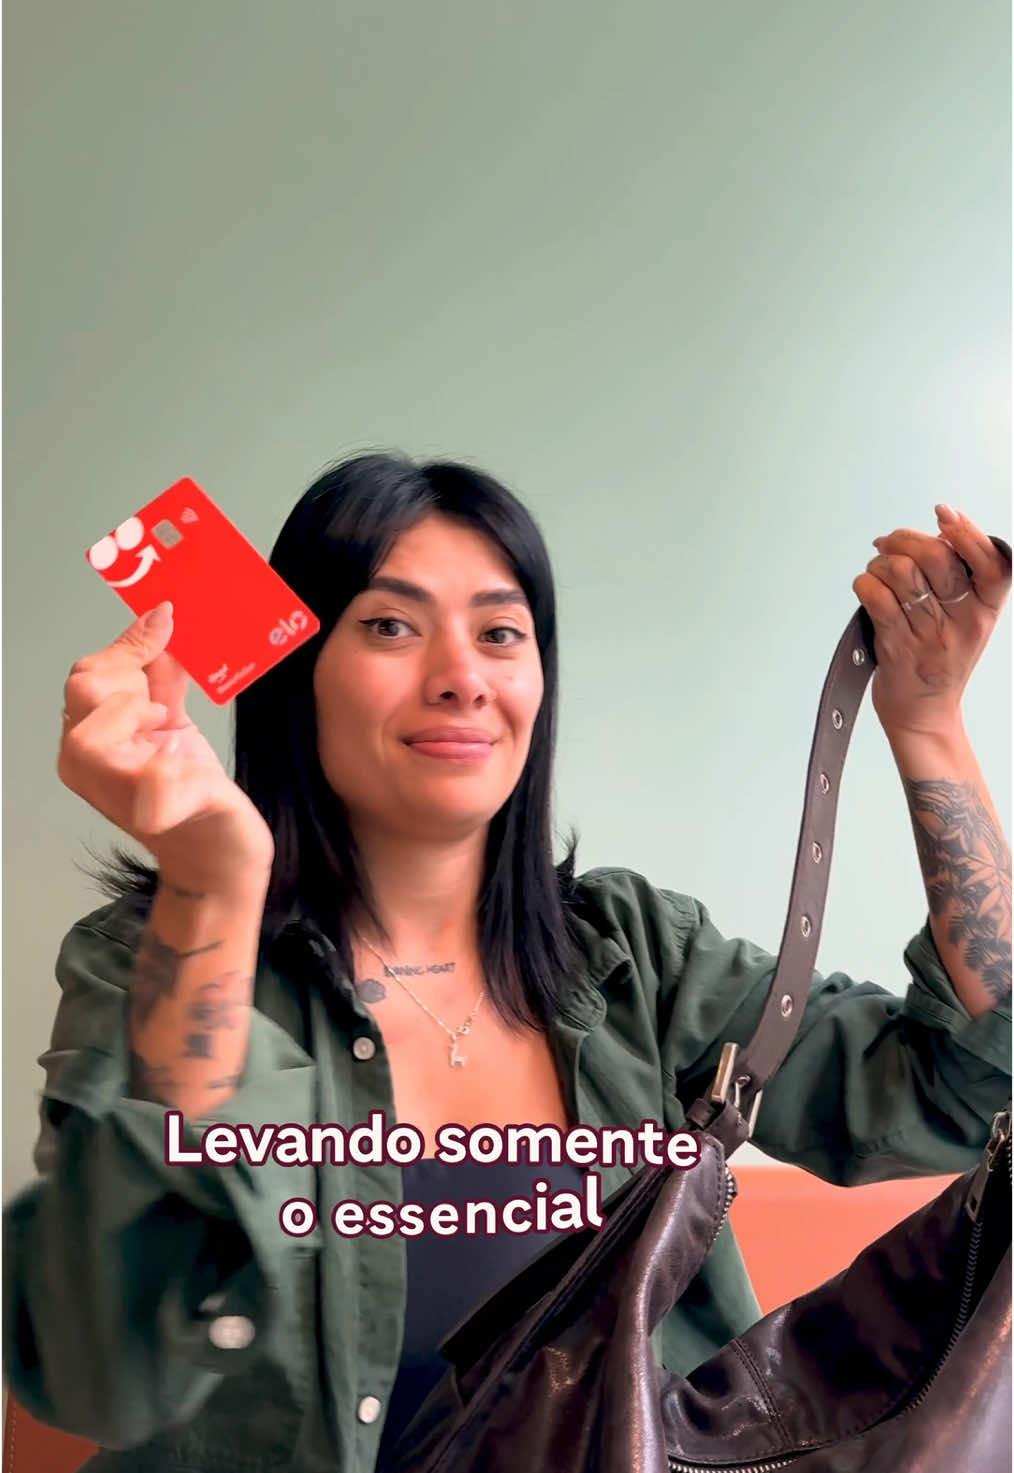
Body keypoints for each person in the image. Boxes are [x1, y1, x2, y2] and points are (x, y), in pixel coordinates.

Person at [3, 452, 1011, 1473]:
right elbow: (102, 1373)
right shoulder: (160, 954)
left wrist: (928, 722)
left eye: (499, 633)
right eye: (389, 626)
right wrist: (213, 885)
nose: (462, 677)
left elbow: (973, 1087)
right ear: (291, 673)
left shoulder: (641, 956)